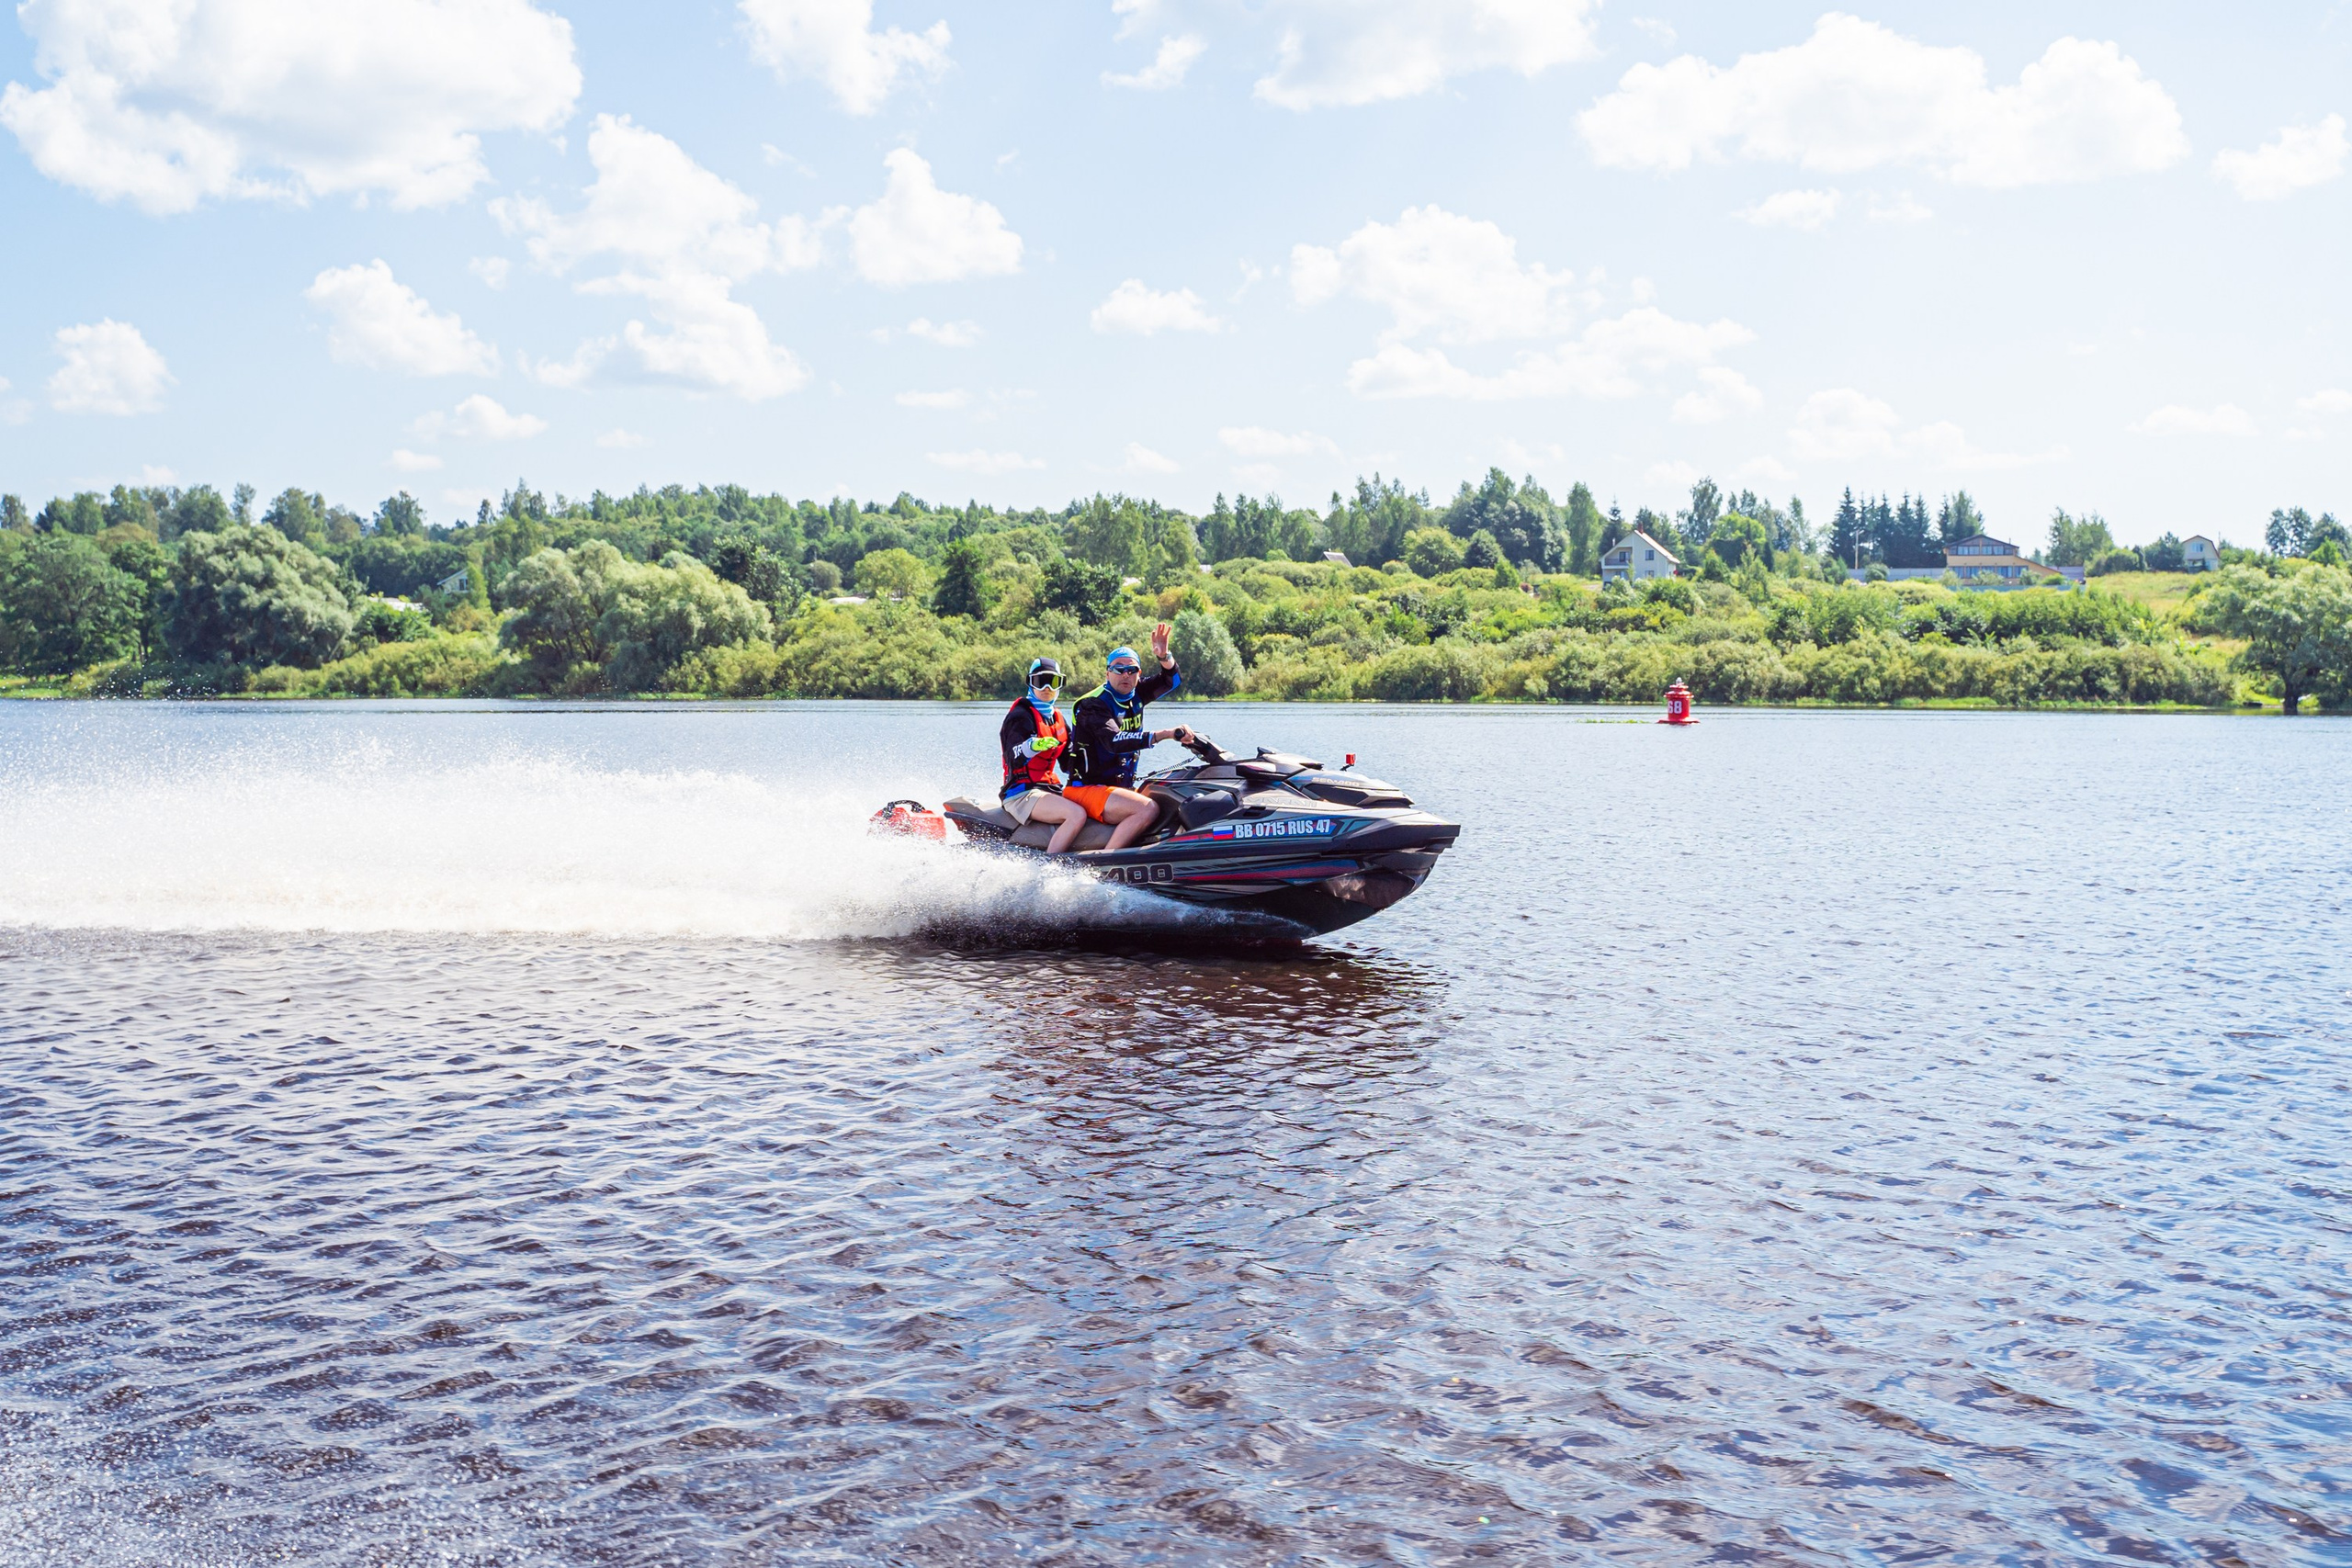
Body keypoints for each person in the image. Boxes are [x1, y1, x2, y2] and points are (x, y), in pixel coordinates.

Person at [1063, 623, 1193, 852]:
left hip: (1118, 788)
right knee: (1147, 809)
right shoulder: (1093, 704)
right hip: (1085, 788)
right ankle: (1106, 863)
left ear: (1138, 674)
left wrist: (1164, 656)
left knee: (1172, 794)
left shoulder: (1137, 692)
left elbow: (1171, 680)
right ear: (1107, 673)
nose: (1125, 674)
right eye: (1118, 669)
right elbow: (1113, 742)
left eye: (1131, 670)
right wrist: (1163, 735)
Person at [999, 656, 1093, 855]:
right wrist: (1031, 746)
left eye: (1054, 681)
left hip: (1049, 789)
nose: (1047, 687)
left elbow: (1068, 764)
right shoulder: (1020, 716)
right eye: (1041, 681)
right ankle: (1050, 868)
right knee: (1076, 814)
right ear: (1031, 683)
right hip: (1021, 793)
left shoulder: (1057, 718)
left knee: (1092, 804)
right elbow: (1013, 756)